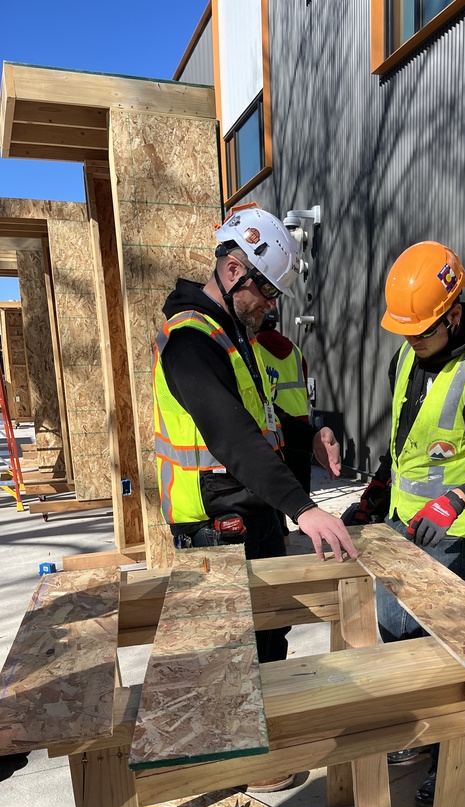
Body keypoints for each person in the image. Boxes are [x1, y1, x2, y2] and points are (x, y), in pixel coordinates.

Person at [349, 241, 465, 807]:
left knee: (443, 644)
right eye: (406, 333)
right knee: (394, 629)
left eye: (423, 332)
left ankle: (451, 753)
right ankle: (419, 733)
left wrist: (455, 500)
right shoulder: (406, 357)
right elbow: (404, 444)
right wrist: (375, 495)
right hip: (405, 522)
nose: (413, 343)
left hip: (456, 531)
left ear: (454, 314)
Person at [153, 204, 357, 668]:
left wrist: (309, 437)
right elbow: (233, 435)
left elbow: (262, 419)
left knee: (269, 643)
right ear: (232, 269)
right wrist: (305, 508)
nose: (273, 303)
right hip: (216, 530)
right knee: (233, 663)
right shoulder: (190, 341)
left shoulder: (231, 333)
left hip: (253, 517)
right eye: (266, 289)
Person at [256, 308, 313, 533]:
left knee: (277, 479)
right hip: (301, 421)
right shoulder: (296, 351)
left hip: (275, 424)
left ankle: (282, 530)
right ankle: (307, 524)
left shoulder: (255, 349)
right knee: (301, 477)